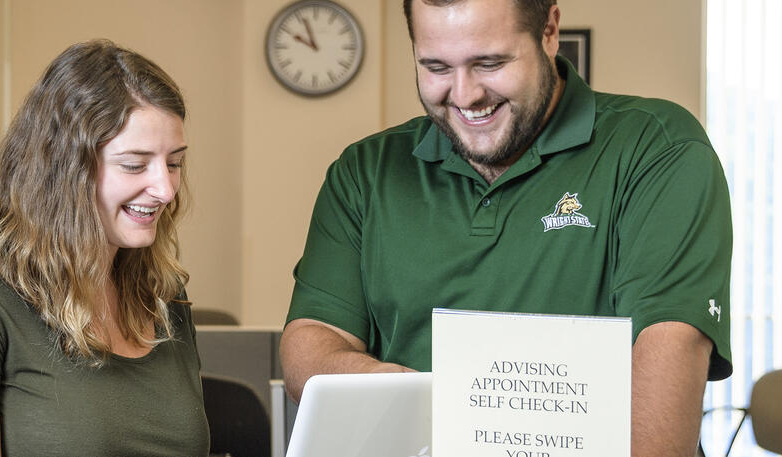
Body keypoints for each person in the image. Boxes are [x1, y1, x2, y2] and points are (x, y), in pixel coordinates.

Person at [279, 1, 732, 455]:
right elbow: (312, 342)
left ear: (550, 30)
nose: (464, 95)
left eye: (489, 63)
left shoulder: (657, 149)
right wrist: (407, 393)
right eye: (436, 67)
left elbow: (669, 360)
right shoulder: (365, 172)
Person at [0, 39, 206, 457]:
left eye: (174, 163)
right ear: (63, 167)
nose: (165, 189)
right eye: (134, 164)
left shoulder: (161, 292)